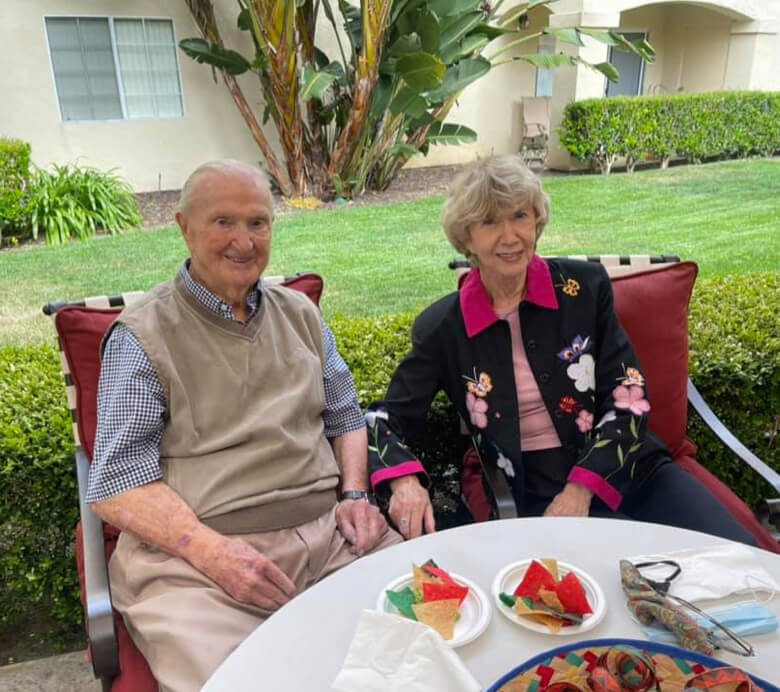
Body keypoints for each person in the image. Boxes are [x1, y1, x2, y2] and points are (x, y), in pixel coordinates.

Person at [86, 160, 400, 691]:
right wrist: (213, 553)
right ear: (184, 227)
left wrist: (355, 494)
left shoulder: (300, 313)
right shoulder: (144, 335)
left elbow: (346, 413)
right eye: (223, 222)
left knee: (431, 641)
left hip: (331, 538)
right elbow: (118, 484)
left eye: (258, 222)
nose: (244, 241)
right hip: (198, 566)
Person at [366, 154, 756, 546]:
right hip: (534, 490)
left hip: (628, 466)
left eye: (520, 215)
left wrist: (581, 489)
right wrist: (403, 479)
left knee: (737, 557)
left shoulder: (584, 289)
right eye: (489, 222)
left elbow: (629, 396)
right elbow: (383, 418)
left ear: (537, 220)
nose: (510, 236)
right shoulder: (444, 327)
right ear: (466, 237)